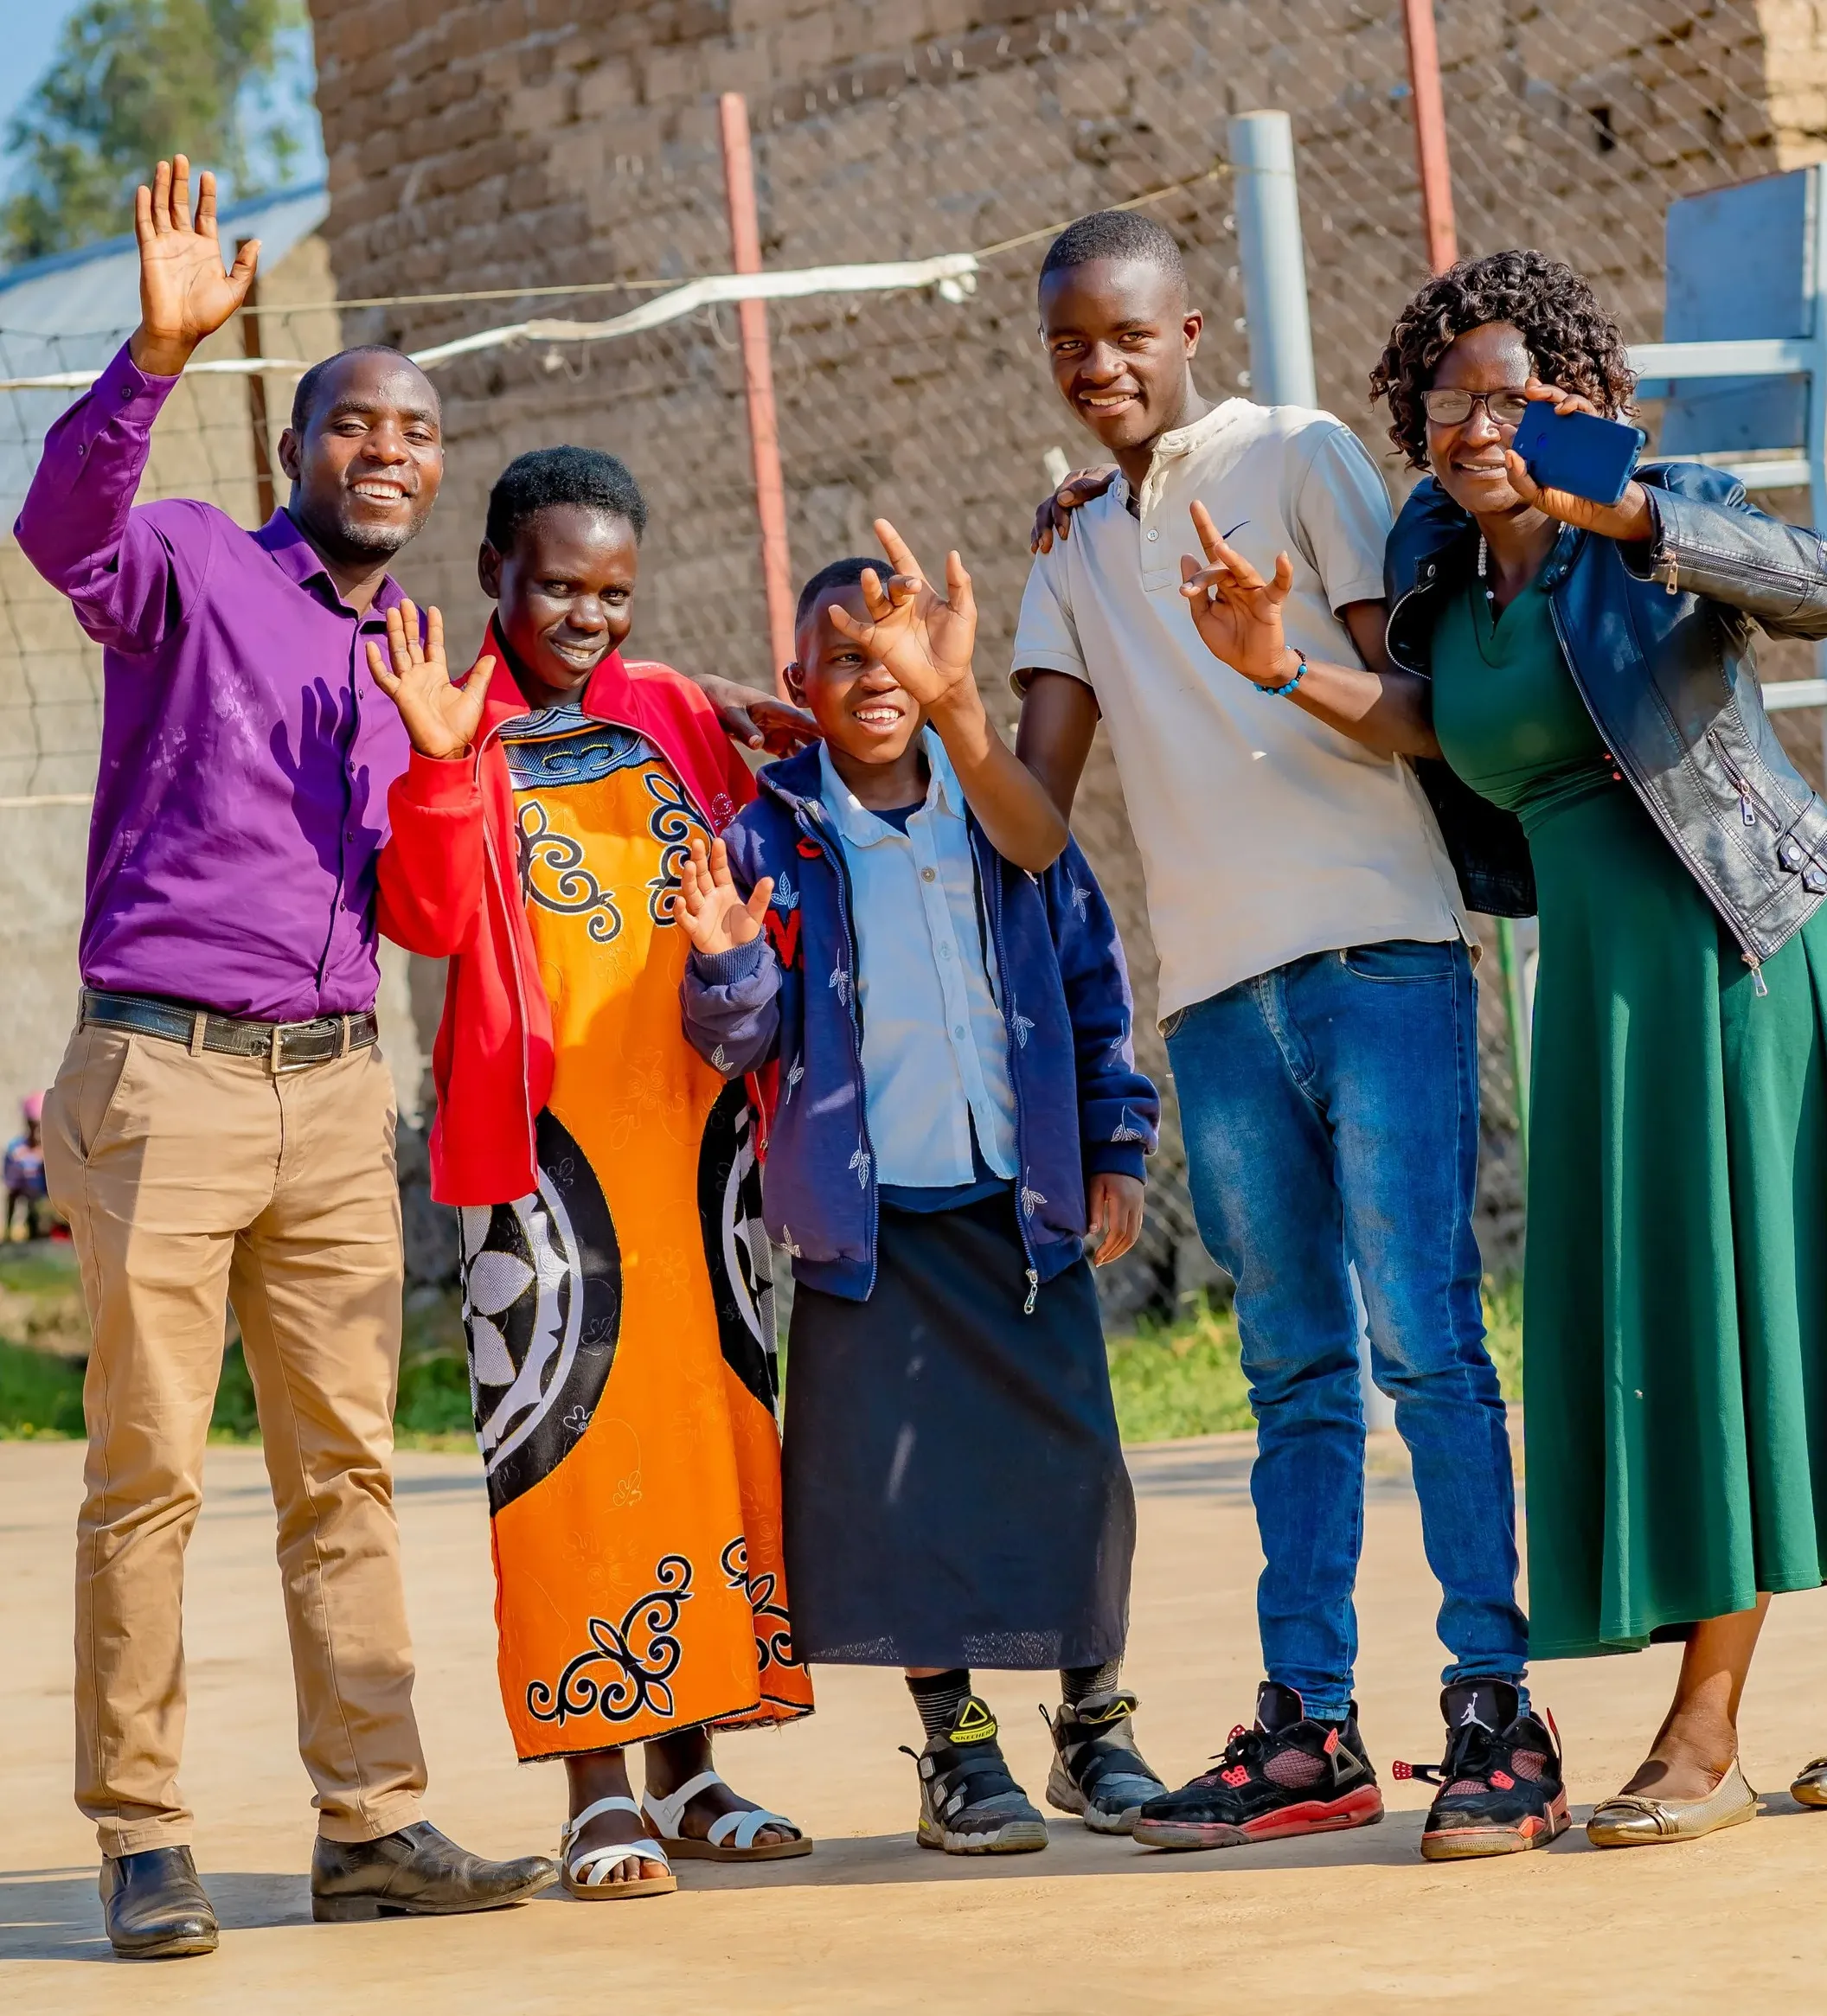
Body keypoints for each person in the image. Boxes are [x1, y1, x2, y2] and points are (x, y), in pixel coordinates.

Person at [13, 156, 568, 1958]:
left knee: (344, 1466)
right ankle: (146, 1833)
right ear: (296, 451)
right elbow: (58, 535)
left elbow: (419, 917)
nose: (390, 450)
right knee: (149, 1469)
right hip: (164, 1079)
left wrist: (434, 761)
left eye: (416, 430)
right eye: (356, 424)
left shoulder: (419, 653)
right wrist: (155, 354)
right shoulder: (185, 560)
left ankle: (371, 1818)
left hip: (338, 1094)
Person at [1010, 209, 1554, 1861]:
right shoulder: (1070, 549)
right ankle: (1307, 1725)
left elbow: (1418, 716)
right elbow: (1034, 823)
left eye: (1125, 334)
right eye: (1068, 346)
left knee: (1427, 1345)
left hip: (1377, 954)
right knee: (1290, 1372)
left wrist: (1274, 660)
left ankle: (1492, 1708)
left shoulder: (1301, 453)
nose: (1099, 365)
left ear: (1190, 334)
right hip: (1217, 1002)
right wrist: (944, 708)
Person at [1348, 249, 1827, 1846]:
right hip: (1594, 995)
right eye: (1449, 401)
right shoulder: (1439, 567)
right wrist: (1273, 663)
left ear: (1582, 404)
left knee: (1741, 1320)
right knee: (1695, 1321)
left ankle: (1705, 1738)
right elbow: (1441, 727)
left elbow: (1810, 579)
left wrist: (1627, 510)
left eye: (1512, 395)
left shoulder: (1651, 522)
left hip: (1732, 946)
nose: (1478, 426)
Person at [371, 445, 821, 1901]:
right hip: (546, 1157)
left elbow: (762, 883)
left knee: (704, 1436)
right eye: (559, 584)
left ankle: (692, 1772)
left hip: (697, 1143)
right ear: (496, 569)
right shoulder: (451, 714)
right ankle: (594, 1789)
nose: (588, 616)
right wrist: (442, 764)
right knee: (563, 1445)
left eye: (613, 591)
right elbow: (430, 923)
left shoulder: (675, 711)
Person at [676, 535, 1167, 1853]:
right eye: (844, 656)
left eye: (894, 650)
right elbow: (740, 1043)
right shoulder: (770, 832)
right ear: (801, 679)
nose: (874, 675)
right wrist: (725, 967)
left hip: (1018, 1212)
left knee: (1074, 1476)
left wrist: (1114, 1145)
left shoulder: (995, 807)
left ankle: (1095, 1725)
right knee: (892, 1498)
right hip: (870, 1226)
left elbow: (1092, 984)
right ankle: (956, 1743)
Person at [4, 1093, 53, 1240]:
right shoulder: (17, 1151)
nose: (37, 1133)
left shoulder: (54, 1148)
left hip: (52, 1202)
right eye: (33, 1126)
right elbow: (13, 1190)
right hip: (30, 1201)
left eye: (40, 1126)